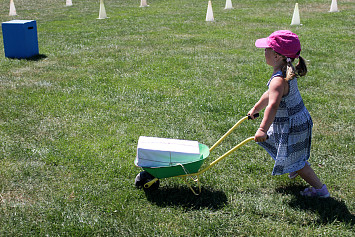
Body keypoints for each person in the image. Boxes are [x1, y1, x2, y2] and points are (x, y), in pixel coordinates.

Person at [248, 30, 329, 198]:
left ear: (277, 56)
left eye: (267, 49)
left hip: (292, 125)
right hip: (295, 121)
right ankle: (293, 165)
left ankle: (320, 190)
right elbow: (269, 94)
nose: (264, 52)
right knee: (279, 144)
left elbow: (273, 104)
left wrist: (262, 129)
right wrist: (256, 108)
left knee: (298, 162)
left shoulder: (279, 79)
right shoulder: (286, 70)